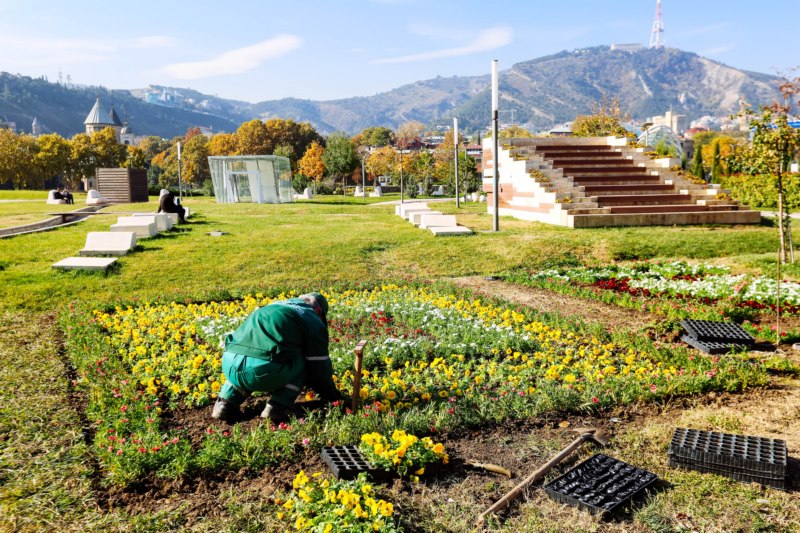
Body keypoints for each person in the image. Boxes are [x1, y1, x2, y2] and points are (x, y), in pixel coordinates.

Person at [211, 292, 341, 423]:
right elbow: (319, 366)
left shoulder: (274, 305)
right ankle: (278, 407)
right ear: (318, 311)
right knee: (306, 360)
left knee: (248, 356)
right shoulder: (311, 318)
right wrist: (332, 396)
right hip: (264, 372)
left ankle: (225, 402)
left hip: (229, 364)